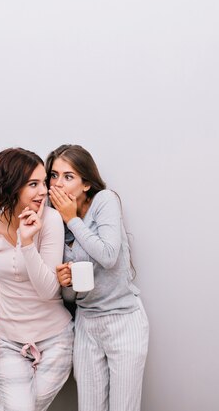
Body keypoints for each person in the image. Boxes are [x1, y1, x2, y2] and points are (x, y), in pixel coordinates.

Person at [0, 147, 73, 411]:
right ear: (10, 188)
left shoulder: (51, 220)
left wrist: (28, 241)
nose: (44, 191)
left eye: (44, 182)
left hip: (56, 338)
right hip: (7, 340)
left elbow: (48, 290)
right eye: (33, 184)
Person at [46, 144, 149, 411]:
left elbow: (108, 255)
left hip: (123, 319)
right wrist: (66, 283)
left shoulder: (105, 201)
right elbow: (70, 297)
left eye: (68, 177)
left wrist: (72, 221)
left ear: (86, 184)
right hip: (87, 324)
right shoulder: (53, 223)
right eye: (54, 176)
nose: (58, 184)